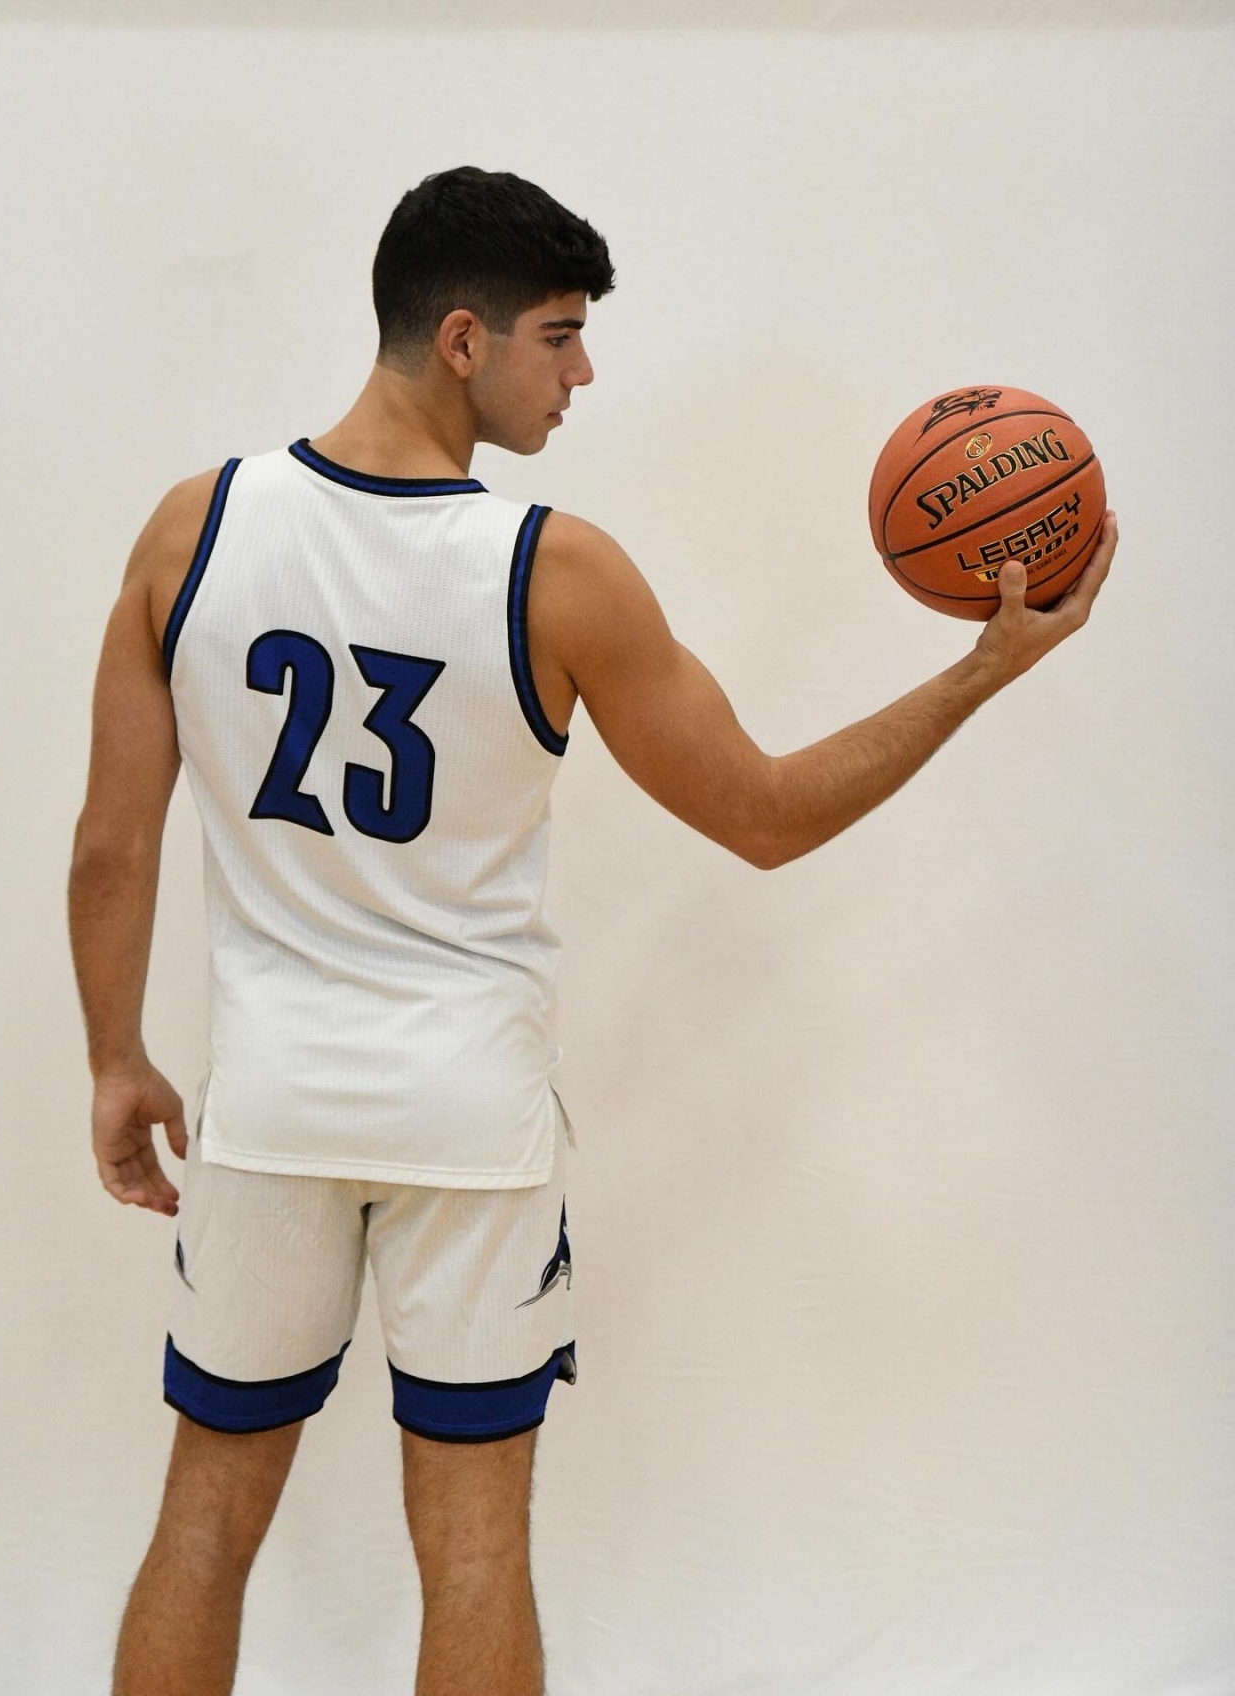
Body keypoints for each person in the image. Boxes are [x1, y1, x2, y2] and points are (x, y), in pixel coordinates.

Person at [67, 165, 1117, 1696]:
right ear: (465, 340)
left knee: (205, 1522)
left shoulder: (194, 527)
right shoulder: (554, 570)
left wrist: (114, 1058)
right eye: (560, 336)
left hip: (272, 1107)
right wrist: (982, 671)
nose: (585, 373)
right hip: (469, 1120)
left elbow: (112, 842)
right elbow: (766, 815)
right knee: (476, 1551)